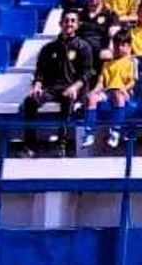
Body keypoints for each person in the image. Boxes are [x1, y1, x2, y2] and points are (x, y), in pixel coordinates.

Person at [20, 11, 95, 156]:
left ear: (77, 25)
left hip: (73, 88)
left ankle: (61, 146)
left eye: (73, 21)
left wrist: (74, 87)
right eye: (66, 21)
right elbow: (40, 70)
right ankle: (30, 146)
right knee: (30, 101)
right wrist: (37, 85)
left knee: (68, 100)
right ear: (60, 24)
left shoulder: (83, 47)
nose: (69, 24)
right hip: (52, 88)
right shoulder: (49, 48)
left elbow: (87, 73)